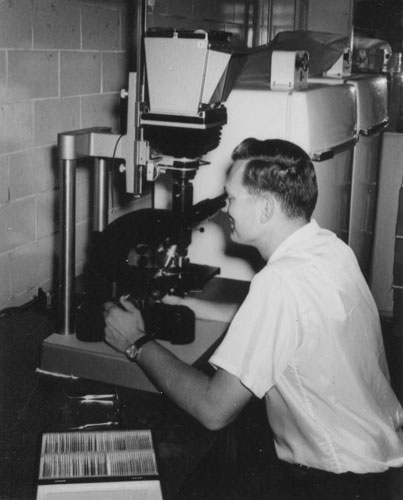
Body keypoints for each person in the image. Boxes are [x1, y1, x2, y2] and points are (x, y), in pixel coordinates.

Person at [104, 138, 403, 499]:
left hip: (334, 480)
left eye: (231, 198)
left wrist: (136, 343)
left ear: (264, 207)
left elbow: (214, 410)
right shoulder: (329, 248)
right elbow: (296, 326)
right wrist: (195, 306)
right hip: (379, 455)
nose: (225, 209)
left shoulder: (277, 284)